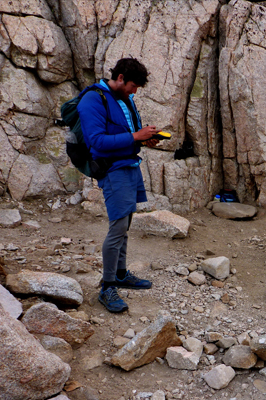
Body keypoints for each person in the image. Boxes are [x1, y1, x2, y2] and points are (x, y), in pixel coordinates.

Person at [77, 58, 158, 313]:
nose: (135, 91)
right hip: (113, 171)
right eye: (133, 86)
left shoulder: (125, 99)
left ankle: (121, 274)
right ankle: (107, 286)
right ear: (120, 77)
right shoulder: (93, 99)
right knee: (118, 226)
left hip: (130, 166)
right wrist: (136, 136)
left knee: (127, 222)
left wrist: (144, 140)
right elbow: (97, 141)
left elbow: (126, 135)